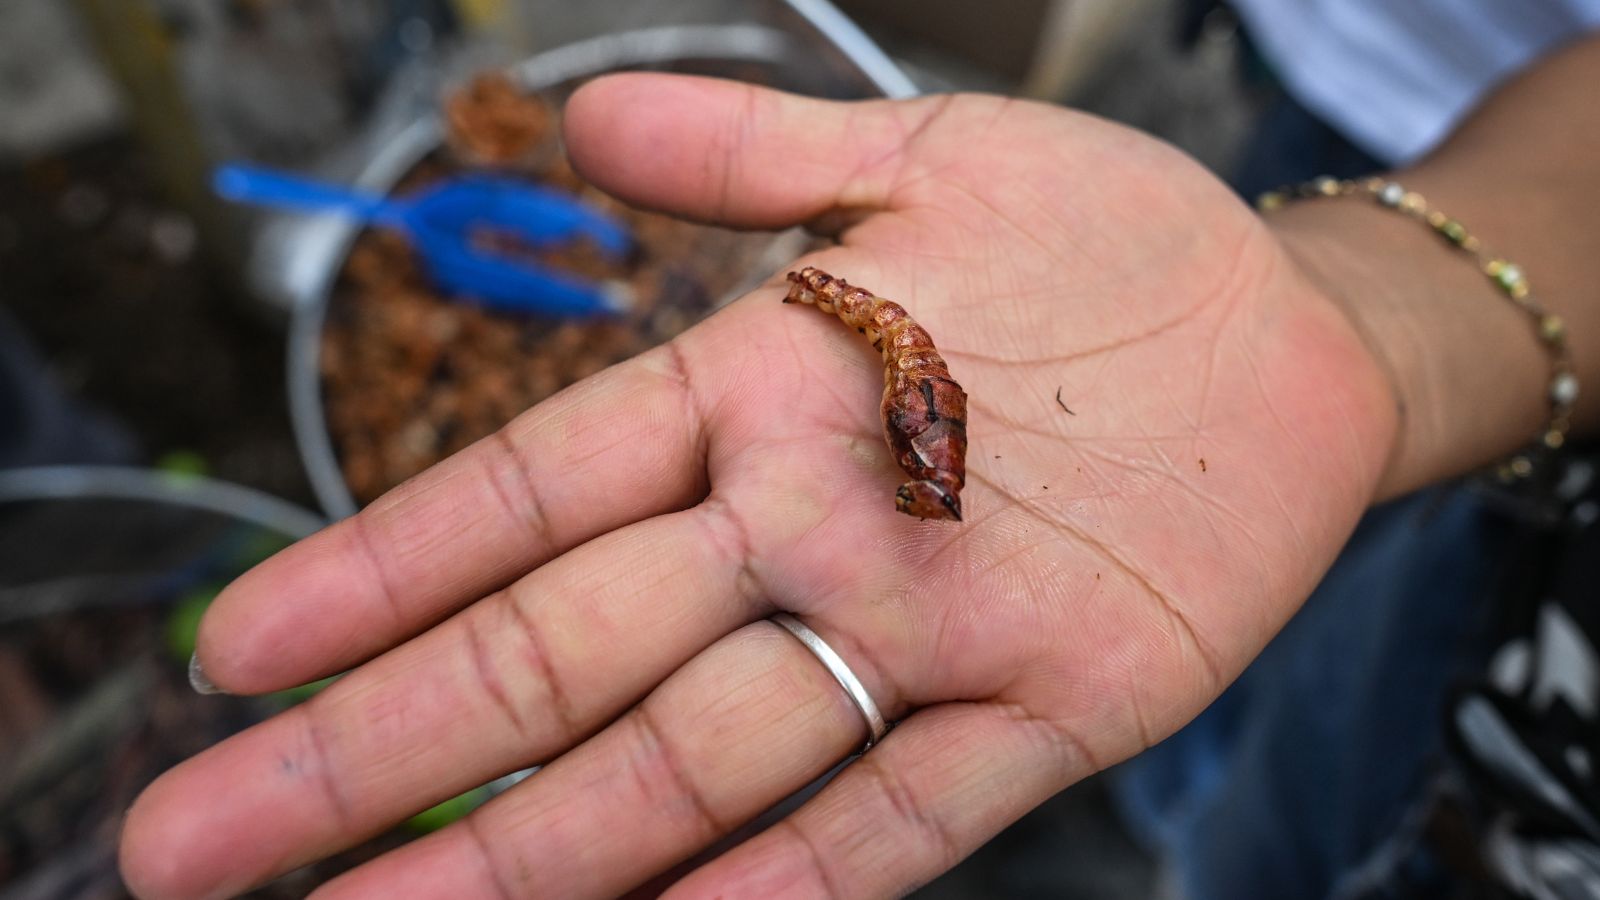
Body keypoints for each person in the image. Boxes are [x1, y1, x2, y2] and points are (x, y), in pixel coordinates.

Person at [116, 23, 1600, 900]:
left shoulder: (920, 421)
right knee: (1268, 814)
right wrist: (1363, 321)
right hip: (1480, 650)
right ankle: (1175, 833)